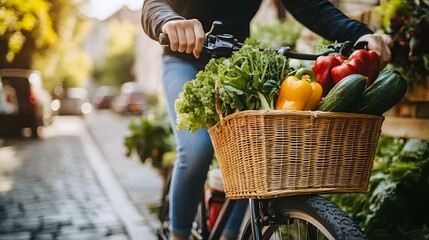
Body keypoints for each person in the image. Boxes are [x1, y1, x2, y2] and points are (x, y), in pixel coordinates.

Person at [141, 1, 391, 239]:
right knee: (197, 149)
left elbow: (310, 5)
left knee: (253, 152)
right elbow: (154, 4)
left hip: (235, 60)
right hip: (182, 58)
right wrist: (170, 21)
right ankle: (178, 235)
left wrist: (361, 35)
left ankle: (229, 235)